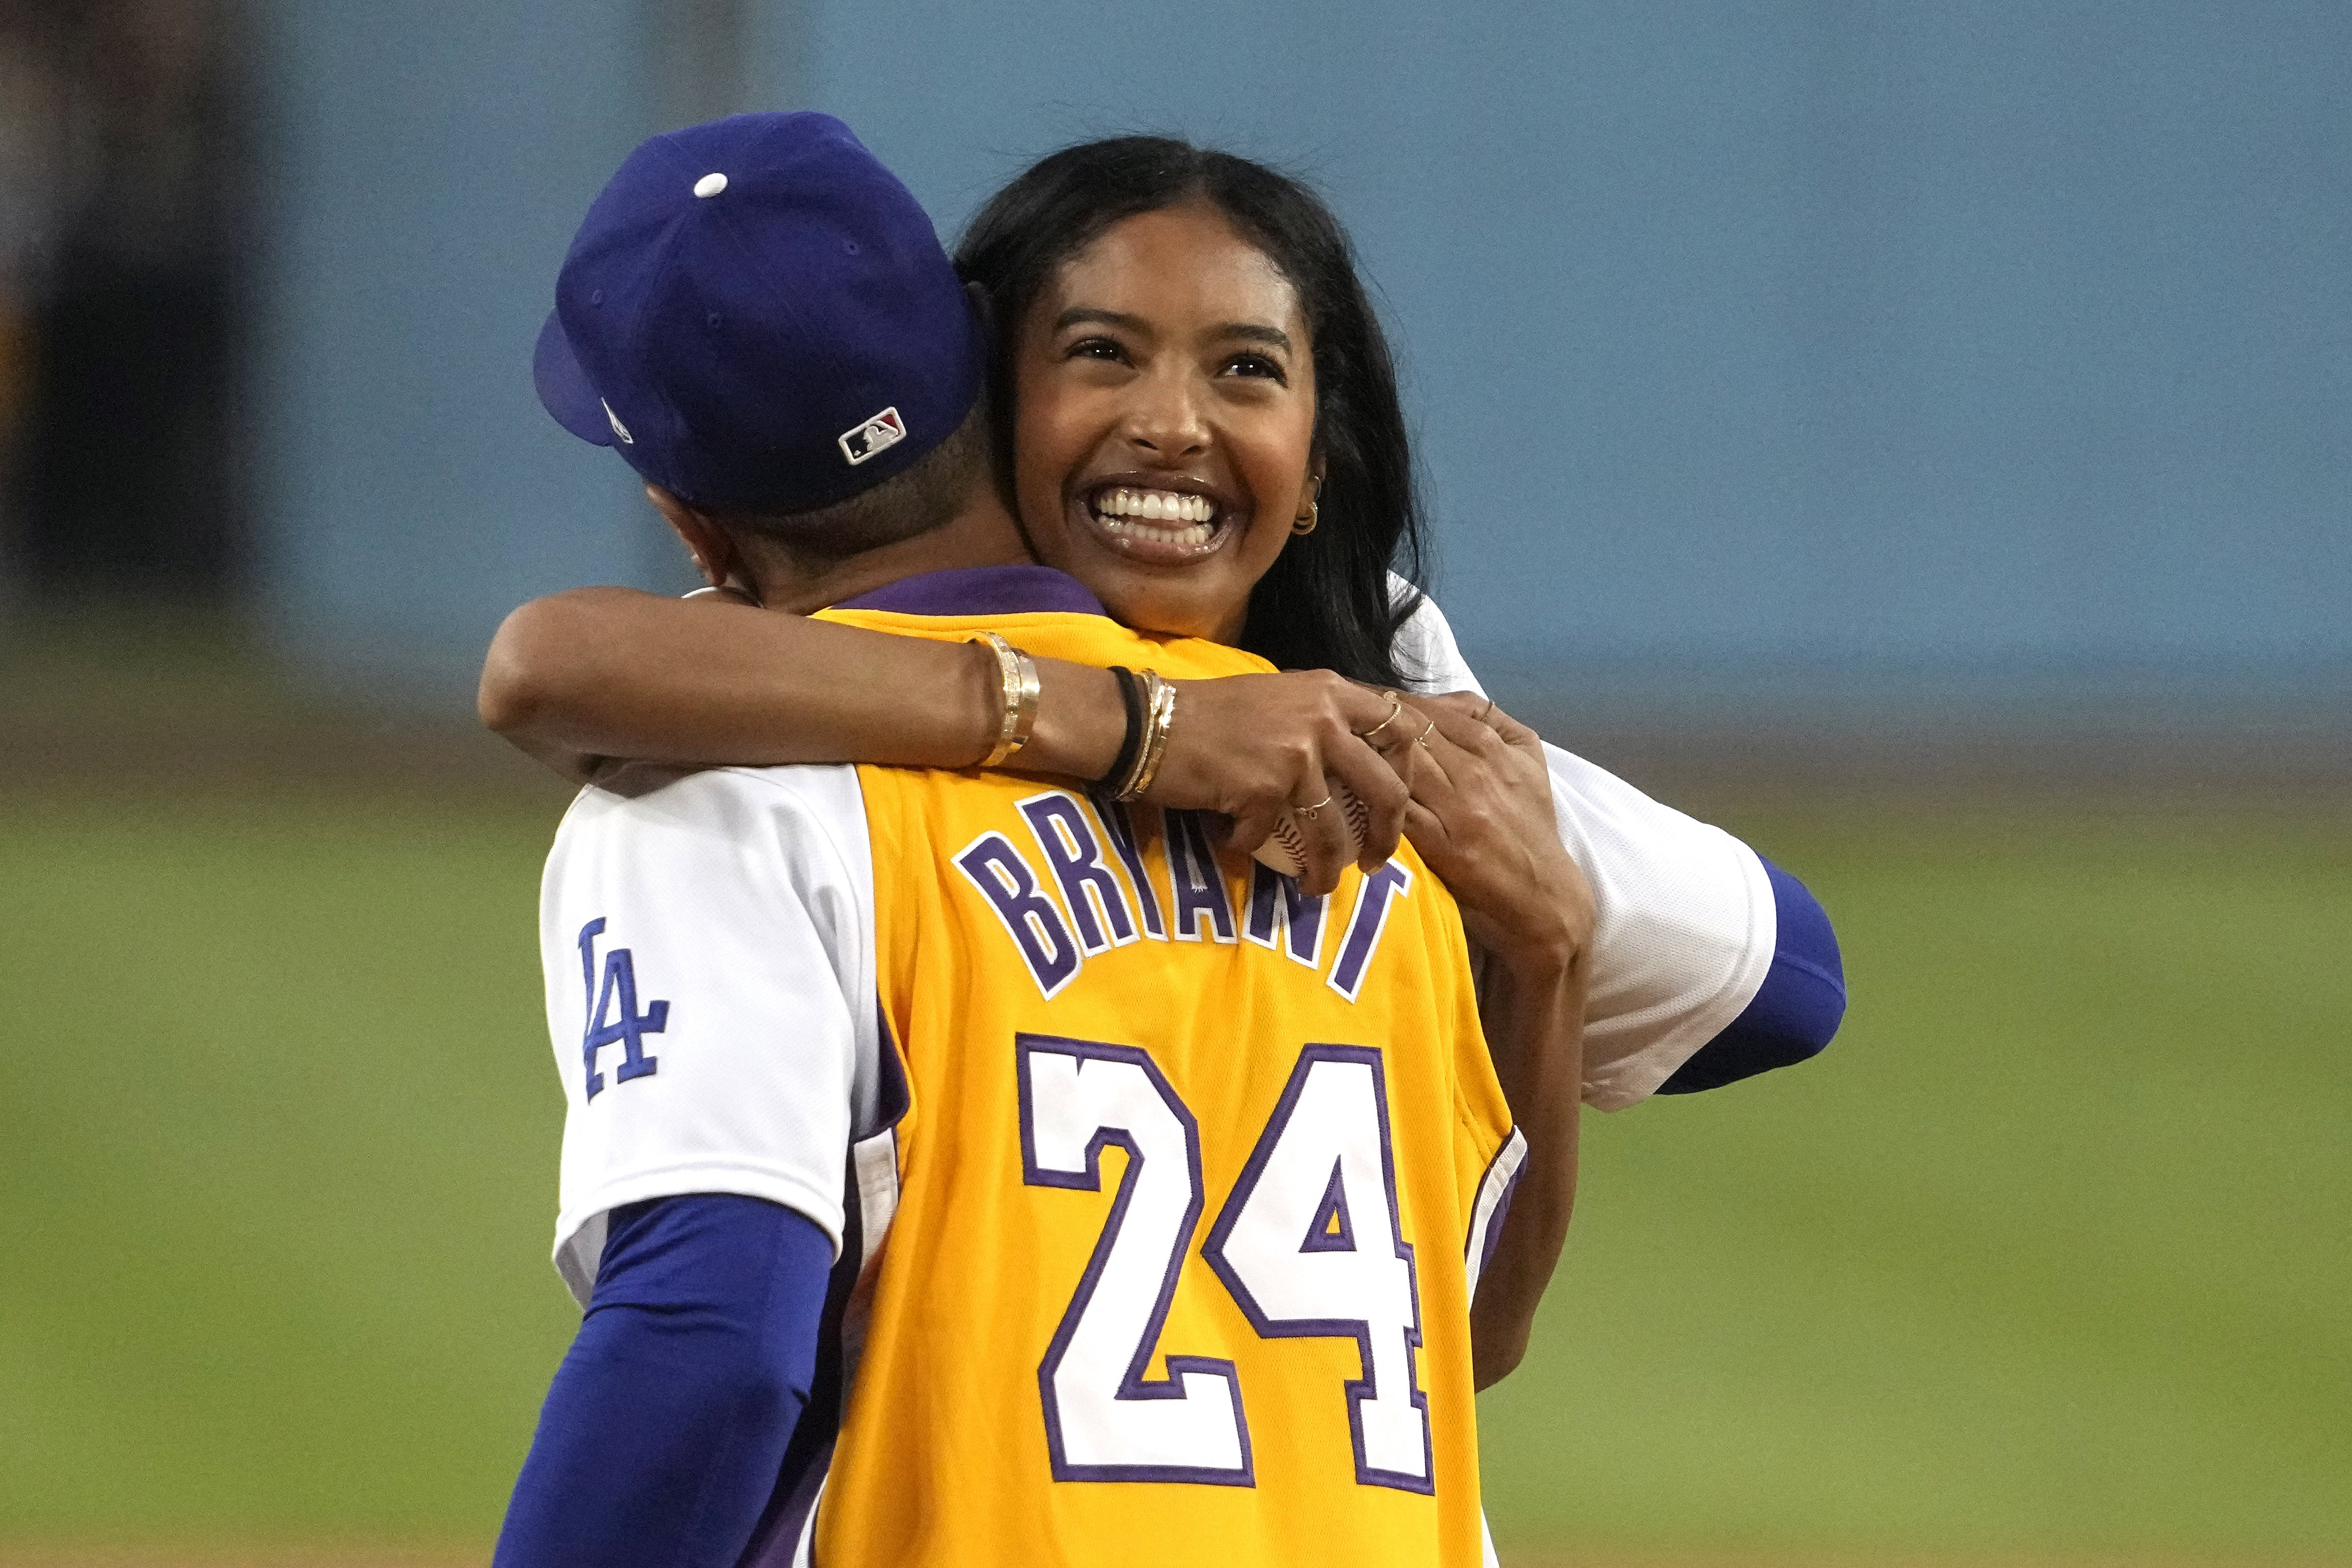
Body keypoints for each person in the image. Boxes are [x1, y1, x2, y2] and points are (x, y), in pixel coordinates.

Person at [496, 112, 1588, 1568]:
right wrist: (1552, 954)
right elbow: (1459, 1332)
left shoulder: (719, 791)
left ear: (686, 522)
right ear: (984, 366)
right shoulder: (1346, 777)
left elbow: (710, 1338)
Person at [481, 134, 1846, 1107]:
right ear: (984, 371)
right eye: (1101, 354)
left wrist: (1529, 935)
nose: (1171, 427)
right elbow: (550, 666)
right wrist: (1142, 727)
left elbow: (1781, 978)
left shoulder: (1361, 667)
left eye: (1244, 371)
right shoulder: (804, 664)